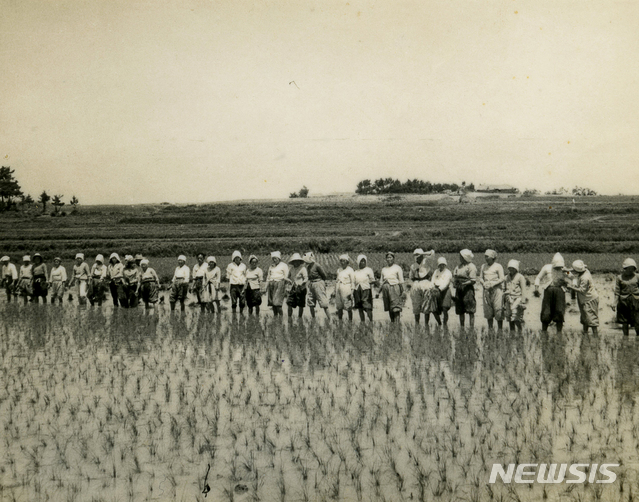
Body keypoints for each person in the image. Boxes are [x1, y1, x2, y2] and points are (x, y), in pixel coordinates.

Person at [534, 252, 569, 333]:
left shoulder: (564, 269)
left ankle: (559, 333)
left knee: (559, 311)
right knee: (546, 312)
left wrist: (572, 284)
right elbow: (538, 278)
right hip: (548, 291)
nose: (558, 268)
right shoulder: (547, 268)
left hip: (560, 291)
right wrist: (536, 287)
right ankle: (544, 331)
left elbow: (571, 276)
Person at [566, 260, 599, 335]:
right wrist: (566, 271)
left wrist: (571, 287)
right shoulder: (585, 271)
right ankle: (585, 334)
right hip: (584, 299)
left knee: (592, 320)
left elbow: (582, 290)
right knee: (585, 319)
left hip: (589, 299)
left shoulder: (585, 278)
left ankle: (595, 336)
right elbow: (571, 273)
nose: (573, 270)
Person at [479, 249, 505, 330]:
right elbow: (480, 278)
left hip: (496, 290)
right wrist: (484, 284)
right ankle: (490, 329)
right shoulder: (483, 266)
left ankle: (500, 330)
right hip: (486, 290)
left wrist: (493, 284)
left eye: (487, 257)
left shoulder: (498, 266)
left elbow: (502, 278)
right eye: (485, 257)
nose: (486, 258)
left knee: (498, 309)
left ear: (492, 257)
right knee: (488, 310)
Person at [409, 248, 436, 325]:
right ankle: (417, 323)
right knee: (416, 305)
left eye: (418, 255)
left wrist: (423, 253)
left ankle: (426, 324)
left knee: (426, 304)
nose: (417, 257)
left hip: (426, 283)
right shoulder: (413, 266)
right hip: (416, 284)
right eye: (415, 255)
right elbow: (411, 277)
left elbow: (432, 253)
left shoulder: (426, 261)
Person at [613, 258, 639, 336]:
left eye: (632, 269)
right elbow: (617, 292)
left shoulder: (637, 277)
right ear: (625, 269)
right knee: (625, 321)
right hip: (623, 301)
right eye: (628, 269)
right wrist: (614, 303)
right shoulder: (619, 278)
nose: (630, 271)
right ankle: (625, 337)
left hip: (636, 301)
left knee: (637, 321)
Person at [453, 249, 477, 329]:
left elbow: (473, 281)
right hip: (459, 289)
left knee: (470, 309)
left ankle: (471, 327)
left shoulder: (471, 266)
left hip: (468, 289)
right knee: (460, 309)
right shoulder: (458, 266)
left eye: (461, 256)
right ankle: (462, 327)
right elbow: (455, 276)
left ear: (465, 257)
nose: (459, 258)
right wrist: (455, 283)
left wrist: (463, 283)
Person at [380, 251, 405, 322]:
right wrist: (379, 292)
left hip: (395, 288)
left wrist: (403, 291)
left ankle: (397, 325)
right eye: (387, 258)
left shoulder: (397, 268)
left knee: (396, 308)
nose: (388, 259)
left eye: (390, 257)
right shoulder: (384, 269)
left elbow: (401, 281)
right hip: (386, 289)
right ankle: (392, 324)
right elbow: (381, 281)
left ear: (393, 259)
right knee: (390, 308)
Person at [304, 252, 330, 318]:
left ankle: (329, 318)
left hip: (318, 283)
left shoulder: (317, 265)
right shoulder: (308, 267)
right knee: (311, 302)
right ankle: (313, 318)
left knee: (323, 302)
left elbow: (324, 275)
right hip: (311, 284)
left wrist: (321, 283)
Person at [504, 259, 526, 333]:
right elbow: (504, 288)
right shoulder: (506, 277)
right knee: (509, 316)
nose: (511, 270)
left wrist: (523, 302)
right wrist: (504, 298)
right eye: (510, 268)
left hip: (517, 298)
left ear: (516, 269)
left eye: (513, 268)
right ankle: (512, 331)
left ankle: (520, 330)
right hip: (508, 298)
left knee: (515, 316)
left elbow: (523, 290)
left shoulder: (520, 277)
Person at [353, 254, 376, 322]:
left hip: (366, 290)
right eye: (361, 261)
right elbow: (354, 282)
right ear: (358, 262)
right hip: (357, 290)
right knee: (360, 307)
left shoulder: (368, 270)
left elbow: (372, 280)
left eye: (364, 261)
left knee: (367, 307)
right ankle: (362, 322)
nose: (363, 262)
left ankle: (371, 321)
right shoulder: (356, 272)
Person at [431, 257, 452, 327]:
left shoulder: (448, 272)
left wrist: (439, 289)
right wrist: (432, 288)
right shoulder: (436, 271)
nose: (441, 266)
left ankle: (445, 324)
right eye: (440, 264)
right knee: (433, 309)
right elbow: (432, 280)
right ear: (438, 265)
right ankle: (439, 323)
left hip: (445, 290)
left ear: (445, 264)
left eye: (443, 264)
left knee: (445, 308)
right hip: (436, 290)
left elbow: (446, 283)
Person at [266, 251, 289, 316]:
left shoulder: (284, 265)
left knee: (277, 303)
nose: (274, 260)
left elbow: (286, 276)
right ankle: (275, 317)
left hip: (280, 284)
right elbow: (268, 277)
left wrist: (286, 287)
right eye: (273, 259)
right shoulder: (271, 266)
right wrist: (266, 287)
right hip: (271, 284)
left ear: (279, 258)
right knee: (272, 303)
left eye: (275, 258)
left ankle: (281, 317)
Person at [286, 253, 308, 318]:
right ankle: (289, 318)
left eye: (297, 261)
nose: (296, 262)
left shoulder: (303, 268)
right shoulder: (291, 269)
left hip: (301, 288)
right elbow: (287, 277)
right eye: (295, 261)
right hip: (293, 287)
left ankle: (300, 318)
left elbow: (306, 278)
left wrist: (302, 283)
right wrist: (289, 281)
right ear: (293, 262)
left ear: (299, 261)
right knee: (289, 303)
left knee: (301, 304)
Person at [335, 254, 355, 321]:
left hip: (347, 289)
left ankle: (350, 322)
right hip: (338, 289)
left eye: (344, 261)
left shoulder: (350, 270)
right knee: (339, 307)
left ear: (347, 262)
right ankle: (340, 321)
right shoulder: (339, 270)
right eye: (341, 261)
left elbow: (353, 282)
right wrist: (334, 291)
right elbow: (336, 280)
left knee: (348, 307)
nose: (342, 262)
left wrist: (352, 293)